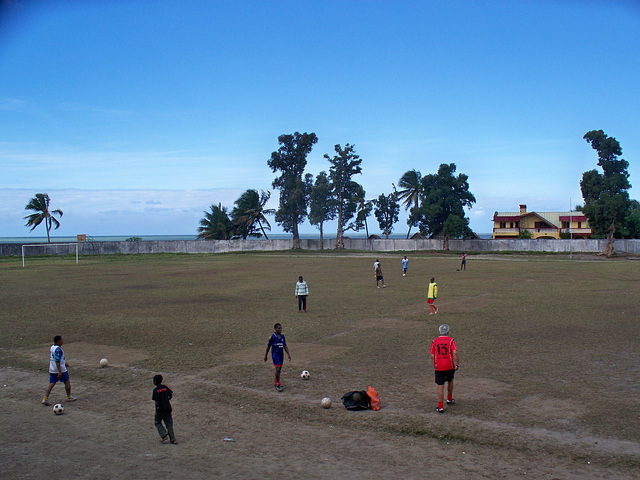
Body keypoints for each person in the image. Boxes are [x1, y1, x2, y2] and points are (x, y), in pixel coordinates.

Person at [430, 324, 459, 413]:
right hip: (449, 365)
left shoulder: (434, 341)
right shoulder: (451, 340)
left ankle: (440, 406)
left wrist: (434, 365)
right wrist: (457, 364)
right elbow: (455, 352)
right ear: (448, 332)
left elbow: (432, 355)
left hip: (439, 366)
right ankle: (449, 399)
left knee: (440, 386)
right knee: (450, 381)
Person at [42, 335, 77, 405]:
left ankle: (45, 398)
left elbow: (58, 359)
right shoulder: (58, 349)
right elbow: (57, 361)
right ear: (58, 341)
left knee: (51, 384)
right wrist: (60, 372)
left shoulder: (52, 347)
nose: (62, 341)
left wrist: (64, 363)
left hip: (52, 369)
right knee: (67, 382)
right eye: (61, 340)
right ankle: (69, 396)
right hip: (60, 370)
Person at [264, 323, 291, 391]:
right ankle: (278, 384)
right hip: (275, 355)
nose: (280, 329)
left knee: (279, 369)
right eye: (279, 328)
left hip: (281, 355)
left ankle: (276, 381)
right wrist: (266, 355)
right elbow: (268, 347)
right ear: (275, 329)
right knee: (278, 369)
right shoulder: (272, 337)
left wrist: (288, 354)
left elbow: (285, 346)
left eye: (281, 328)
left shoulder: (282, 337)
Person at [152, 374, 177, 444]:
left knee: (157, 422)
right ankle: (173, 439)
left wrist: (157, 408)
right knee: (169, 424)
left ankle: (163, 434)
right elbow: (170, 395)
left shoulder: (155, 390)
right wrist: (167, 400)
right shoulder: (165, 387)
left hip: (161, 409)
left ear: (155, 382)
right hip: (168, 408)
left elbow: (156, 402)